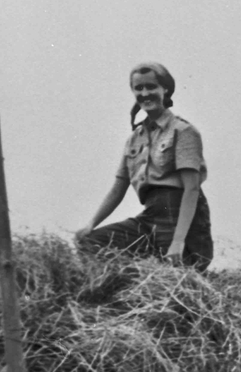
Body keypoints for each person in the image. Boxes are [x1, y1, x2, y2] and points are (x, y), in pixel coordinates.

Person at [75, 62, 214, 270]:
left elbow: (191, 189)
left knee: (171, 276)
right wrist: (90, 225)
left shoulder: (182, 131)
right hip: (150, 216)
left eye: (151, 87)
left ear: (165, 89)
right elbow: (117, 189)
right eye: (138, 88)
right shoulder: (134, 139)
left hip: (177, 215)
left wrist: (178, 241)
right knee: (91, 242)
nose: (145, 93)